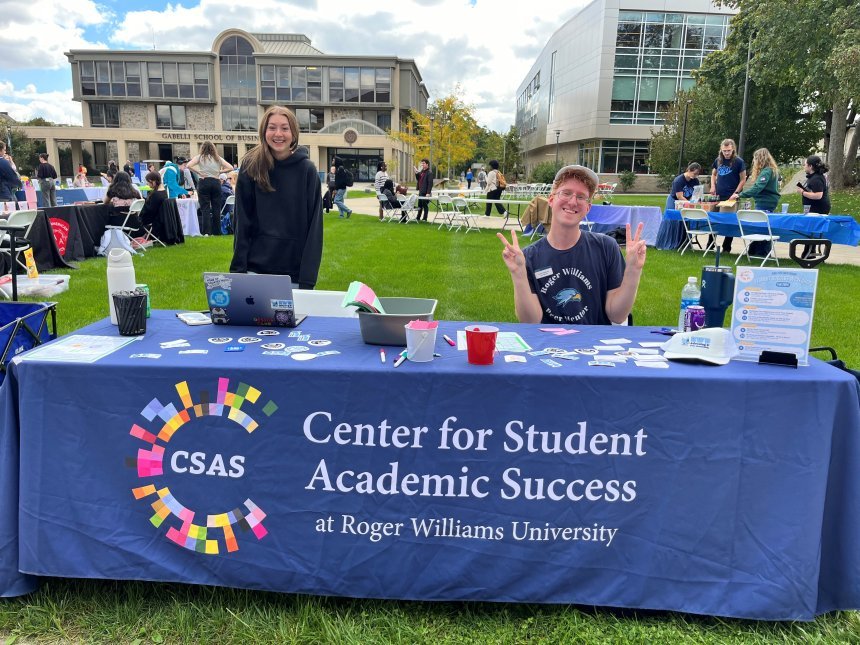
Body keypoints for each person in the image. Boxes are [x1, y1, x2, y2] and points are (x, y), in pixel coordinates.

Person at [497, 164, 646, 326]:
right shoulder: (528, 257)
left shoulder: (606, 247)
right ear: (552, 200)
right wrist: (518, 274)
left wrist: (633, 271)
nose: (573, 201)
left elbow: (617, 315)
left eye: (581, 197)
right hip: (548, 345)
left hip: (594, 345)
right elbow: (531, 321)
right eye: (566, 193)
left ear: (588, 208)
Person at [230, 105, 323, 289]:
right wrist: (238, 271)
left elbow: (315, 229)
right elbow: (242, 222)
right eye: (272, 127)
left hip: (293, 275)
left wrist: (307, 279)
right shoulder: (251, 166)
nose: (278, 134)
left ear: (294, 133)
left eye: (285, 128)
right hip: (254, 270)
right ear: (264, 131)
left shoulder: (307, 171)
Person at [187, 140, 234, 235]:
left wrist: (199, 172)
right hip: (216, 181)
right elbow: (231, 167)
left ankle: (206, 232)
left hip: (204, 182)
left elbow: (188, 165)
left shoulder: (200, 157)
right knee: (217, 207)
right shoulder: (217, 158)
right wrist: (220, 172)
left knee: (205, 208)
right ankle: (217, 231)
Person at [710, 138, 746, 253]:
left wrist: (735, 193)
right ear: (721, 150)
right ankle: (710, 244)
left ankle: (726, 247)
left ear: (733, 149)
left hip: (730, 196)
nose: (726, 153)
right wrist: (713, 186)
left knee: (728, 221)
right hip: (717, 195)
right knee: (712, 219)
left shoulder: (738, 162)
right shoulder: (718, 160)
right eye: (724, 150)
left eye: (729, 151)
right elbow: (713, 174)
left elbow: (743, 179)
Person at [0, 141, 20, 207]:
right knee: (6, 215)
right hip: (3, 193)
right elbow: (13, 178)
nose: (5, 152)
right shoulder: (4, 162)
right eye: (4, 150)